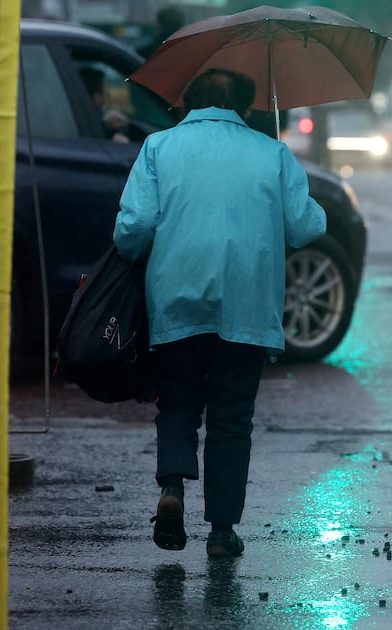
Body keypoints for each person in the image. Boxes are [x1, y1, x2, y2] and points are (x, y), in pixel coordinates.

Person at [113, 69, 326, 558]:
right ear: (247, 107)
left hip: (177, 296)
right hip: (247, 304)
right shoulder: (271, 152)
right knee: (232, 417)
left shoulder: (159, 147)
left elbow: (134, 227)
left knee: (178, 401)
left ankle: (172, 490)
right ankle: (222, 531)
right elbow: (305, 227)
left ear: (189, 100)